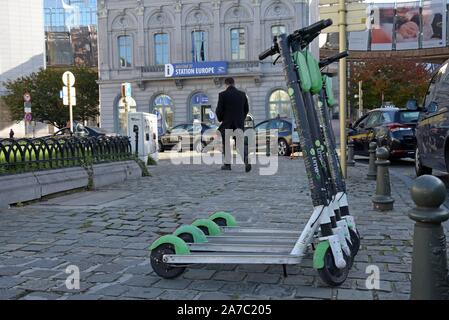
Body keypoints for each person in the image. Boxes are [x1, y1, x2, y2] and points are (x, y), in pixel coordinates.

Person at [216, 77, 251, 172]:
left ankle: (227, 165)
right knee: (239, 143)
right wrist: (241, 119)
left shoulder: (222, 95)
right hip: (238, 123)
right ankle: (246, 159)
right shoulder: (242, 95)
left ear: (226, 84)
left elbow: (219, 110)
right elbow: (246, 109)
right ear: (234, 83)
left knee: (226, 144)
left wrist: (221, 119)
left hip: (227, 123)